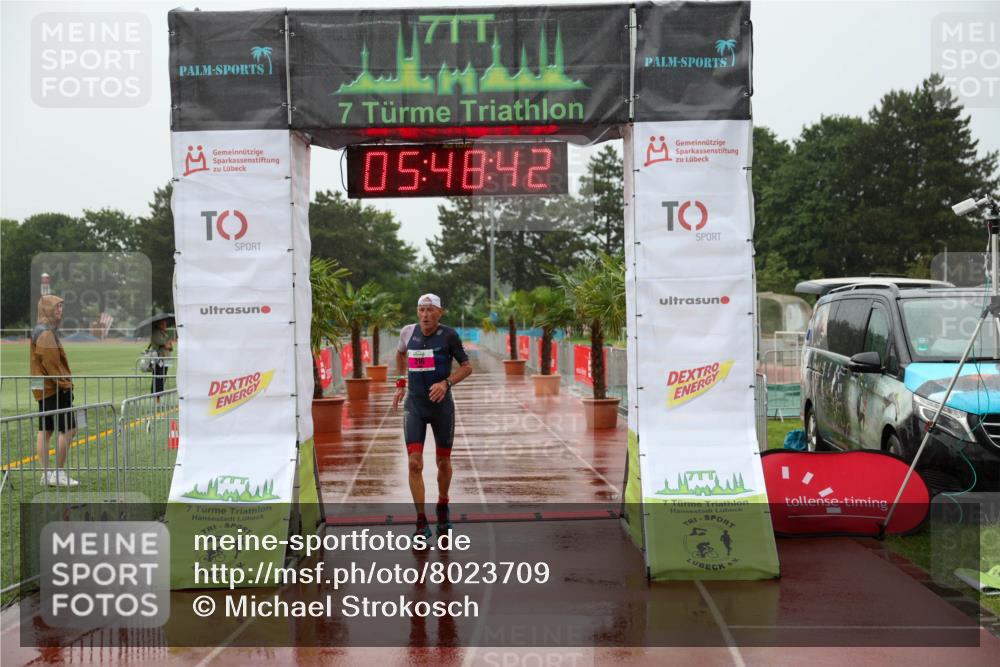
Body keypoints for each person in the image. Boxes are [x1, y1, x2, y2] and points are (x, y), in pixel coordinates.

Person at [393, 294, 473, 539]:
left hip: (441, 408)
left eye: (430, 310)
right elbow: (400, 354)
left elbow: (467, 367)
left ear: (440, 312)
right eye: (421, 309)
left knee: (443, 462)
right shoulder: (408, 332)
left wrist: (446, 383)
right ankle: (420, 521)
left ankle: (443, 504)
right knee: (414, 463)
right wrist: (400, 383)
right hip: (415, 406)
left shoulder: (449, 335)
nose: (425, 315)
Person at [30, 295, 78, 487]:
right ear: (47, 309)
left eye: (61, 307)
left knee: (46, 430)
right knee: (69, 429)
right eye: (56, 307)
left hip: (44, 387)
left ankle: (47, 474)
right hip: (53, 388)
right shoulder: (45, 333)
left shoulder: (41, 330)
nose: (60, 310)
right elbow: (51, 364)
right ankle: (57, 473)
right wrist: (65, 384)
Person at [149, 318, 174, 397]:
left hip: (165, 358)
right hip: (159, 358)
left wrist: (168, 344)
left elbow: (170, 347)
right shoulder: (156, 333)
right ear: (159, 325)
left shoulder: (164, 333)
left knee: (163, 376)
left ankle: (159, 394)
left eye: (165, 324)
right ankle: (156, 395)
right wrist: (168, 344)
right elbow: (164, 344)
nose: (165, 326)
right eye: (163, 324)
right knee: (158, 376)